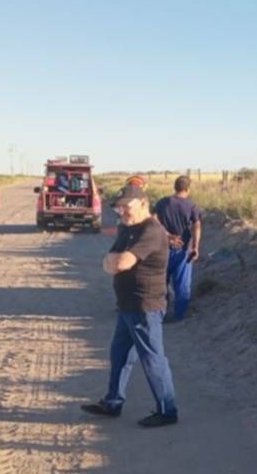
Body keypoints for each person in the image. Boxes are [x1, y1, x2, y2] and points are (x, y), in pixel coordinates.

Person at [81, 185, 179, 427]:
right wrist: (112, 262)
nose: (123, 211)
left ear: (144, 203)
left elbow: (121, 262)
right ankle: (113, 402)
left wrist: (114, 262)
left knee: (153, 359)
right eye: (119, 206)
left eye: (128, 206)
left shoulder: (151, 231)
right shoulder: (128, 228)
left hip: (145, 306)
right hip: (127, 306)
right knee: (120, 355)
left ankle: (168, 411)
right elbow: (109, 260)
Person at [152, 175, 202, 322]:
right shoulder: (191, 205)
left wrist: (167, 235)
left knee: (161, 283)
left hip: (162, 249)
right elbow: (197, 226)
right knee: (182, 286)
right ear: (187, 189)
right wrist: (196, 247)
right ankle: (179, 316)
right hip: (183, 250)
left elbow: (153, 221)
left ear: (175, 187)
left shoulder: (162, 203)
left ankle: (160, 314)